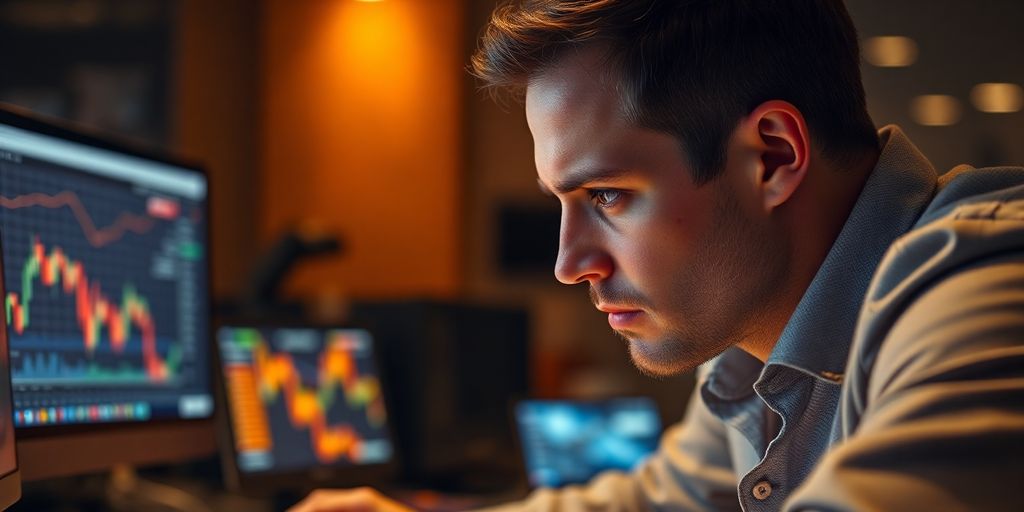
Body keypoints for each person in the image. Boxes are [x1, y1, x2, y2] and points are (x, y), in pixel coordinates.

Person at [289, 0, 1024, 510]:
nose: (569, 264)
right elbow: (656, 498)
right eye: (562, 204)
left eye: (606, 196)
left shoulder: (989, 286)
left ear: (771, 156)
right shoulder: (753, 345)